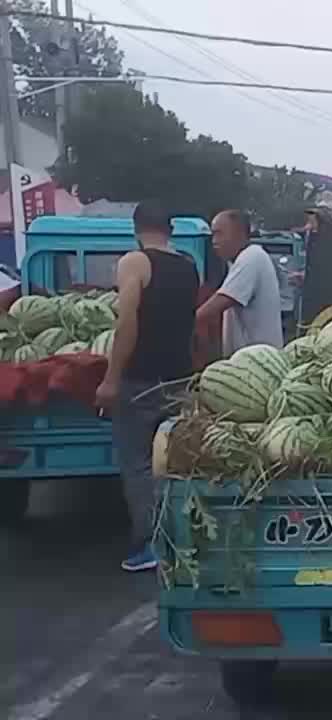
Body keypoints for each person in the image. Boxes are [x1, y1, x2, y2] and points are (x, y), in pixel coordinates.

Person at [94, 202, 199, 572]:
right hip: (179, 378)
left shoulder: (134, 263)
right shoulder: (189, 267)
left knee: (139, 464)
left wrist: (110, 378)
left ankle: (150, 545)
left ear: (136, 228)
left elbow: (127, 325)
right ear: (170, 229)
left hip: (141, 380)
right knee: (176, 462)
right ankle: (184, 539)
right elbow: (192, 326)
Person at [197, 209, 284, 356]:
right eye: (213, 235)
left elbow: (222, 300)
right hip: (248, 361)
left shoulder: (251, 257)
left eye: (219, 234)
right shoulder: (237, 261)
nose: (214, 241)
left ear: (239, 234)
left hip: (259, 361)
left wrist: (185, 323)